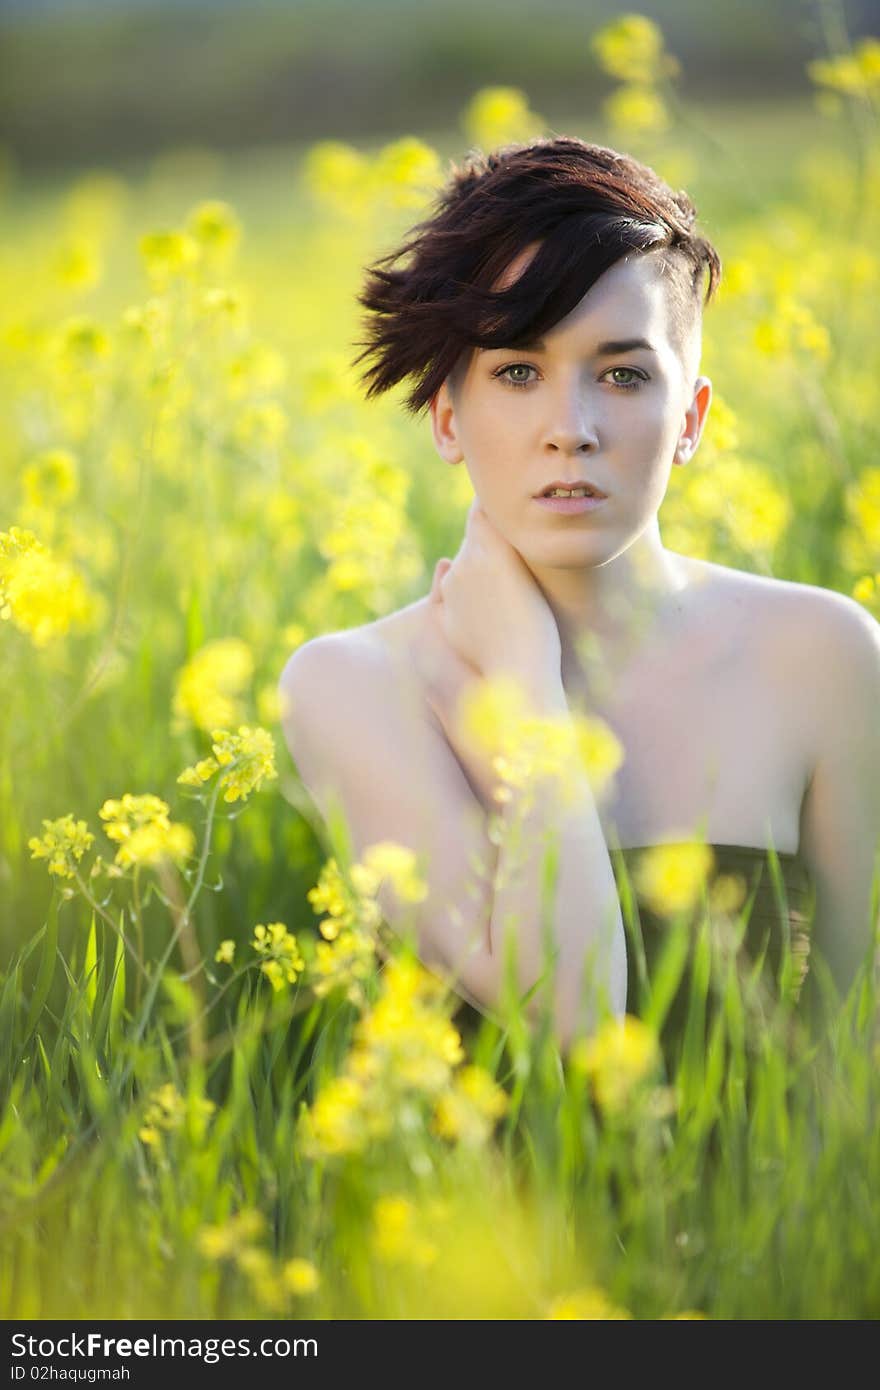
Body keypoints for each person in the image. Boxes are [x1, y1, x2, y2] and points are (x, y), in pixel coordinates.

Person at [277, 136, 880, 1060]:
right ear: (447, 416)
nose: (572, 430)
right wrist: (523, 674)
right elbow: (570, 1015)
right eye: (517, 372)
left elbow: (855, 1065)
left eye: (624, 374)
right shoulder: (356, 685)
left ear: (692, 421)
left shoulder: (825, 656)